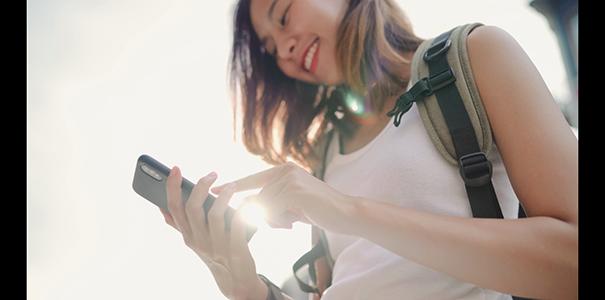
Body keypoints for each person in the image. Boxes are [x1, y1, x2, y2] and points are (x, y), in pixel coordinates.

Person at [159, 0, 578, 299]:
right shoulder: (323, 161)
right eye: (271, 49)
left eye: (284, 16)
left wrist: (348, 212)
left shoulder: (473, 55)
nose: (284, 48)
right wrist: (244, 286)